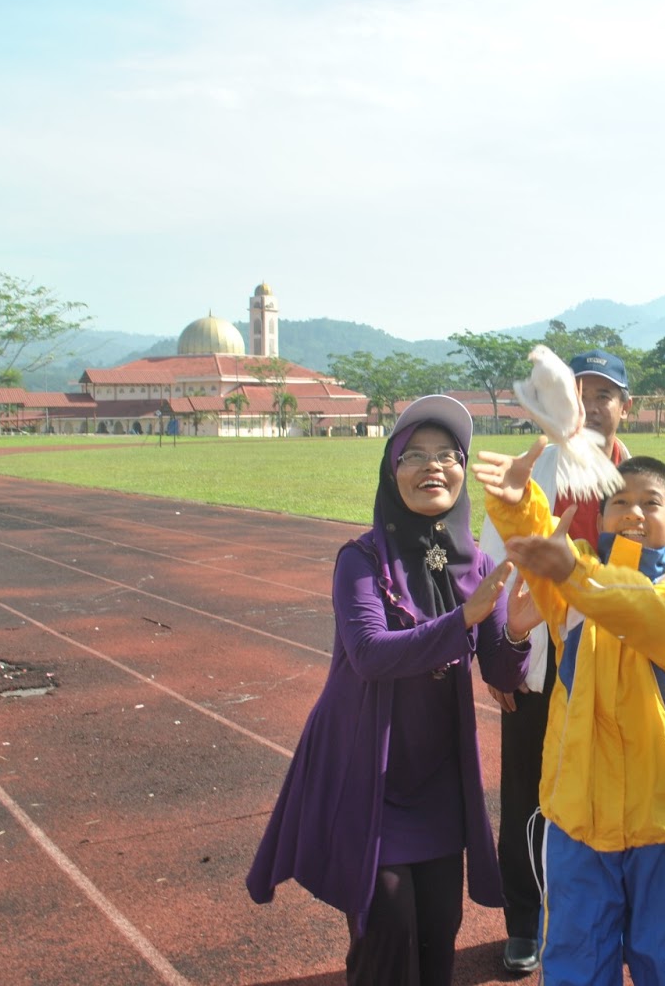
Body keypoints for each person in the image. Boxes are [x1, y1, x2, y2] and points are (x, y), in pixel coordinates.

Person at [246, 395, 531, 986]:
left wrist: (519, 629)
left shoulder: (476, 564)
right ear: (391, 469)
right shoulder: (360, 560)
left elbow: (500, 673)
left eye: (448, 455)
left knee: (438, 931)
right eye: (415, 455)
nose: (434, 467)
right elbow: (370, 655)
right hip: (368, 770)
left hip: (438, 777)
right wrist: (464, 620)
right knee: (389, 928)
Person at [476, 443, 665, 985]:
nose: (632, 511)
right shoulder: (571, 580)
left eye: (649, 503)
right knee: (575, 961)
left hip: (664, 814)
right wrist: (517, 506)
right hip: (578, 813)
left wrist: (575, 571)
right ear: (599, 517)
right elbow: (543, 556)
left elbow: (644, 613)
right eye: (618, 502)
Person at [477, 348, 634, 975]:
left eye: (605, 395)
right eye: (581, 392)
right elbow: (494, 573)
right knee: (527, 797)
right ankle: (524, 923)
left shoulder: (638, 478)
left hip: (617, 673)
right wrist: (502, 658)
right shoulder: (533, 473)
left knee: (613, 798)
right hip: (542, 670)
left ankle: (602, 916)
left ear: (626, 406)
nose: (592, 406)